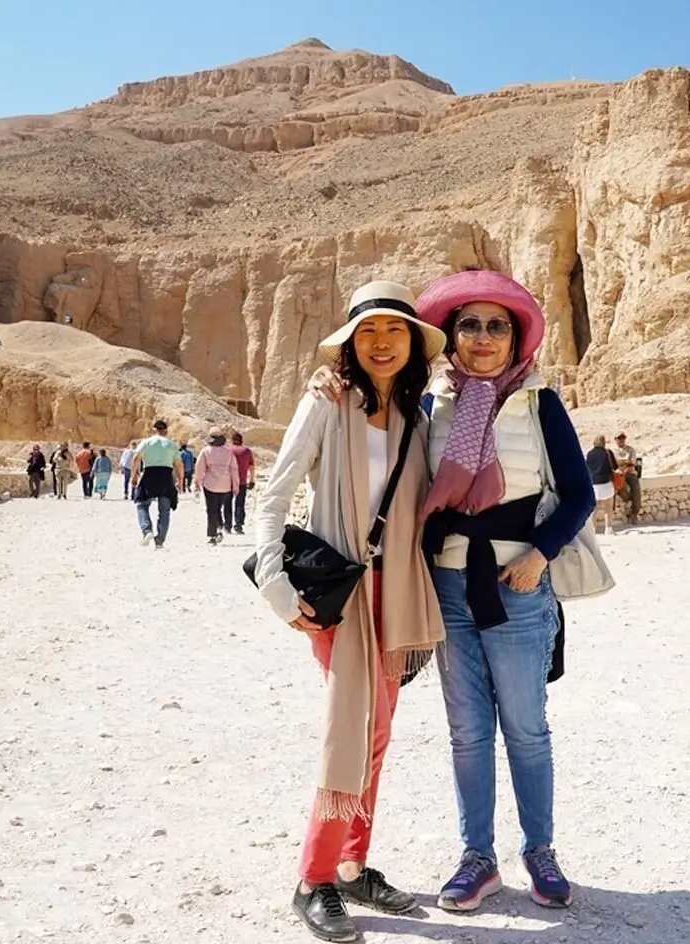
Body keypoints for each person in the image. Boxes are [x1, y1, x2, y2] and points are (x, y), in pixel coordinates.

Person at [306, 271, 594, 913]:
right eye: (470, 325)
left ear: (515, 336)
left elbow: (578, 494)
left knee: (526, 730)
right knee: (467, 733)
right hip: (446, 590)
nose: (484, 337)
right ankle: (477, 858)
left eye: (498, 325)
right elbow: (376, 431)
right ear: (453, 336)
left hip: (517, 587)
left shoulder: (539, 402)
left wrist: (540, 555)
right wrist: (330, 379)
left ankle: (540, 852)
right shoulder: (430, 404)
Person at [254, 280, 448, 943]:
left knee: (379, 732)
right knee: (352, 730)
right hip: (342, 597)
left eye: (395, 331)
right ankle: (314, 878)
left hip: (398, 594)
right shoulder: (326, 405)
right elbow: (273, 496)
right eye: (369, 332)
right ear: (350, 344)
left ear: (414, 344)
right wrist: (274, 586)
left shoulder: (417, 421)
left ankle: (352, 861)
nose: (383, 343)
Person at [130, 421, 183, 548]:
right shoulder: (171, 444)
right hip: (165, 476)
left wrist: (133, 476)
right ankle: (160, 540)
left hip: (149, 474)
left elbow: (136, 458)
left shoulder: (147, 442)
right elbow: (179, 464)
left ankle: (147, 530)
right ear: (166, 431)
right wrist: (180, 480)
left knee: (142, 504)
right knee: (164, 510)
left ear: (154, 430)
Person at [194, 427, 240, 545]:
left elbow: (200, 468)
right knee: (218, 508)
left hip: (210, 484)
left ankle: (213, 534)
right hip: (225, 485)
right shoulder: (229, 451)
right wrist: (235, 485)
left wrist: (197, 482)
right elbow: (234, 469)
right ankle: (219, 527)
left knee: (211, 510)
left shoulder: (206, 451)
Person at [585, 435, 618, 535]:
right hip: (606, 484)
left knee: (593, 509)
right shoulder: (607, 453)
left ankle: (593, 530)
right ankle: (608, 529)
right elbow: (615, 467)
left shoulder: (589, 454)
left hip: (593, 485)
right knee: (608, 508)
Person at [224, 431, 256, 535]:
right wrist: (252, 480)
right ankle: (238, 525)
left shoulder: (227, 450)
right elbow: (251, 467)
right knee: (239, 504)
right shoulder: (247, 451)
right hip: (241, 481)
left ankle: (227, 525)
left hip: (228, 481)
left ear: (232, 440)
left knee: (227, 503)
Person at [613, 432, 641, 525]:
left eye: (623, 437)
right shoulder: (613, 452)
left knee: (636, 489)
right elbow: (615, 464)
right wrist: (624, 463)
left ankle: (634, 513)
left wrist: (623, 465)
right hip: (620, 474)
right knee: (620, 487)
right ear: (615, 439)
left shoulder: (630, 450)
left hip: (630, 472)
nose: (621, 439)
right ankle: (628, 500)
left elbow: (632, 462)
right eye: (619, 438)